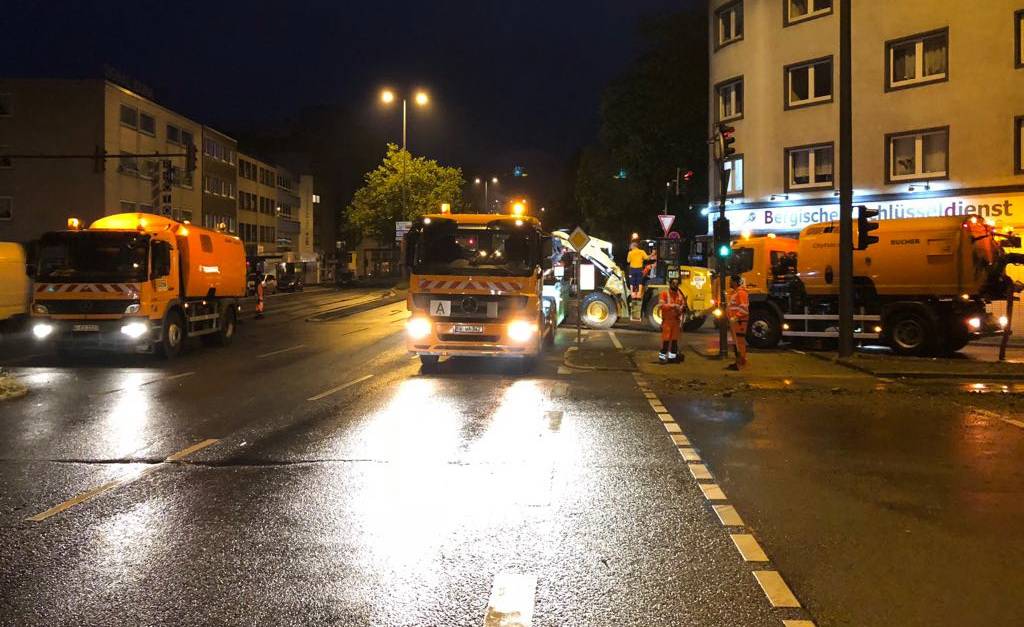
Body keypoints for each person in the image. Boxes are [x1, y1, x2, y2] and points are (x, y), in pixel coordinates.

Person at [659, 277, 687, 364]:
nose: (675, 285)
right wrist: (673, 306)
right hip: (667, 321)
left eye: (677, 284)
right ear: (670, 284)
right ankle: (662, 357)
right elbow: (661, 306)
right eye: (673, 283)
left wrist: (682, 308)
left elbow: (683, 305)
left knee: (674, 341)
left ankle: (672, 358)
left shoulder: (679, 295)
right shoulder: (664, 294)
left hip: (676, 321)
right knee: (666, 340)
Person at [726, 274, 749, 370]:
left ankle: (740, 364)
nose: (729, 283)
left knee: (739, 343)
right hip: (736, 322)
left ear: (735, 282)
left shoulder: (741, 293)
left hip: (739, 321)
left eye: (731, 281)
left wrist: (735, 317)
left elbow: (744, 309)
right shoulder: (736, 293)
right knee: (737, 342)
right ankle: (738, 362)